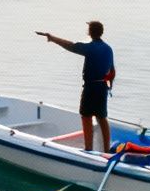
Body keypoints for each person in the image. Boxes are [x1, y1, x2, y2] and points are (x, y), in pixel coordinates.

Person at [36, 20, 115, 153]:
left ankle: (88, 149)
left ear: (89, 32)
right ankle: (106, 150)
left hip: (91, 87)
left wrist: (52, 38)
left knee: (86, 115)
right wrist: (109, 86)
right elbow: (112, 71)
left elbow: (70, 46)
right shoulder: (108, 48)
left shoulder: (90, 48)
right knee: (102, 117)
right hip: (102, 87)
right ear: (101, 32)